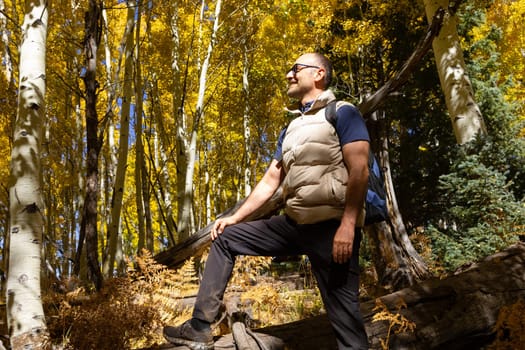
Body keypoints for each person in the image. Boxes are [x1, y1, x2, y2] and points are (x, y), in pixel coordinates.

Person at [163, 53, 370, 350]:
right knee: (225, 238)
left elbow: (359, 169)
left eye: (296, 69)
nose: (289, 74)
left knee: (347, 325)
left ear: (319, 74)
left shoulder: (343, 112)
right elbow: (270, 182)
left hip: (332, 229)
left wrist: (349, 224)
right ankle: (200, 327)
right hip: (294, 224)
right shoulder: (291, 129)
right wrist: (235, 218)